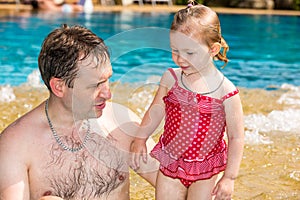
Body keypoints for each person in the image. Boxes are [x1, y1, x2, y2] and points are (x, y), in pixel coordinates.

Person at [0, 24, 157, 200]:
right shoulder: (16, 145)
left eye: (107, 80)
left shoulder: (121, 123)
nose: (108, 94)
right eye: (95, 85)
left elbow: (175, 185)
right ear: (59, 87)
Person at [130, 3, 244, 200]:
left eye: (189, 53)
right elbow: (156, 110)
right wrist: (140, 139)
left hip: (205, 169)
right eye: (175, 50)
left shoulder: (226, 92)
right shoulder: (171, 78)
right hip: (171, 160)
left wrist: (229, 178)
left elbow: (236, 137)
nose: (180, 58)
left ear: (212, 49)